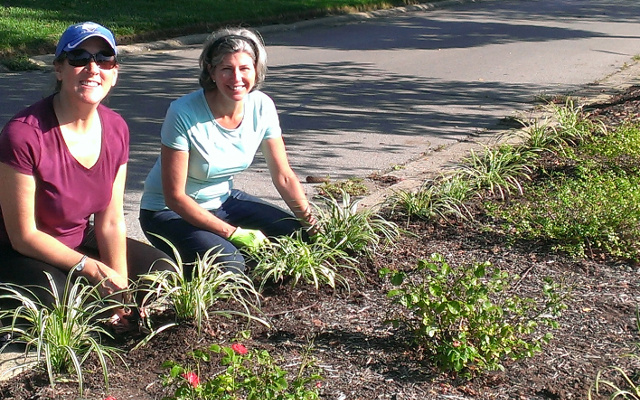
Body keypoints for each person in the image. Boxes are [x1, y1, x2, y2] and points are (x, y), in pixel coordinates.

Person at [0, 22, 172, 331]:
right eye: (78, 58)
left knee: (160, 270)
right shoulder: (23, 134)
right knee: (56, 300)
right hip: (17, 250)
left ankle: (108, 313)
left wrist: (120, 289)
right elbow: (23, 235)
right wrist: (92, 269)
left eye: (104, 58)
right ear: (58, 69)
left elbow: (111, 220)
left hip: (76, 239)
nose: (92, 68)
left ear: (114, 72)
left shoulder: (117, 128)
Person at [139, 27, 316, 275]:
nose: (236, 78)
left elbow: (283, 176)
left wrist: (312, 224)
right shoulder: (183, 112)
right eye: (226, 69)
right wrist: (232, 233)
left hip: (222, 201)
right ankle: (179, 263)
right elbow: (174, 197)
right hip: (167, 213)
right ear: (211, 72)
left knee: (299, 237)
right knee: (231, 265)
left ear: (256, 70)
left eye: (244, 68)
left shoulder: (262, 106)